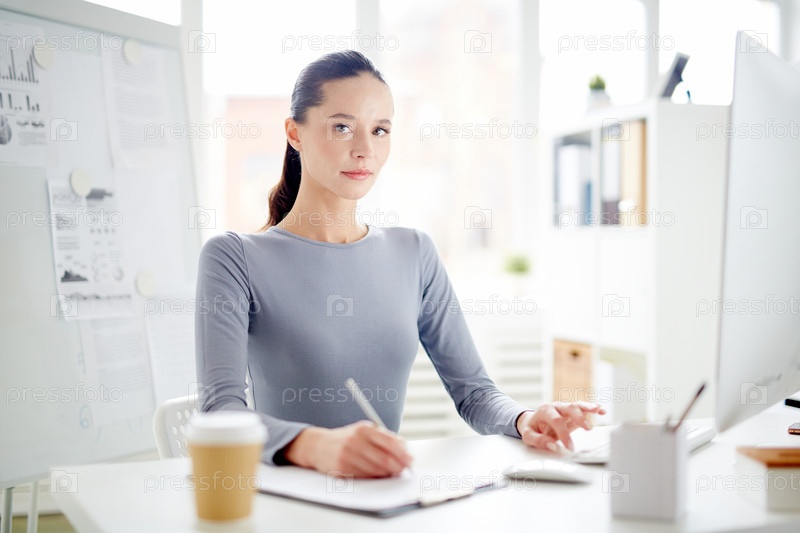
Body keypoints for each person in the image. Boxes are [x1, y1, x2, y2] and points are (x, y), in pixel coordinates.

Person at [196, 50, 605, 479]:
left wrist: (524, 419)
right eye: (342, 127)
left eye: (380, 130)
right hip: (287, 500)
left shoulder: (414, 252)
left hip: (385, 496)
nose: (364, 150)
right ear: (295, 133)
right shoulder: (234, 258)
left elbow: (475, 394)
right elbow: (220, 412)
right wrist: (318, 446)